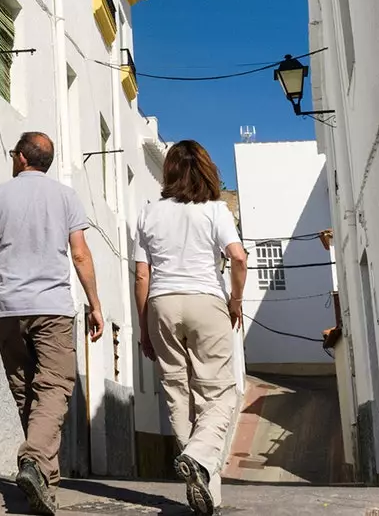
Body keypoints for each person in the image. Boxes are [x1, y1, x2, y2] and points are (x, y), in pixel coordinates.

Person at [0, 131, 104, 516]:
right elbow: (80, 254)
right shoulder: (66, 197)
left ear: (22, 159)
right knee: (55, 386)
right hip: (53, 307)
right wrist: (95, 303)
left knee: (26, 390)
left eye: (13, 154)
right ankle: (35, 462)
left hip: (8, 308)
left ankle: (44, 477)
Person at [133, 140, 248, 516]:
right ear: (205, 170)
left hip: (162, 304)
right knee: (220, 394)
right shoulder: (215, 210)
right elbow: (238, 257)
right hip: (206, 301)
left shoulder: (149, 214)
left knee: (176, 393)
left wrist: (144, 329)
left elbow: (141, 276)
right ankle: (199, 456)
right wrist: (236, 300)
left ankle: (206, 492)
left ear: (167, 173)